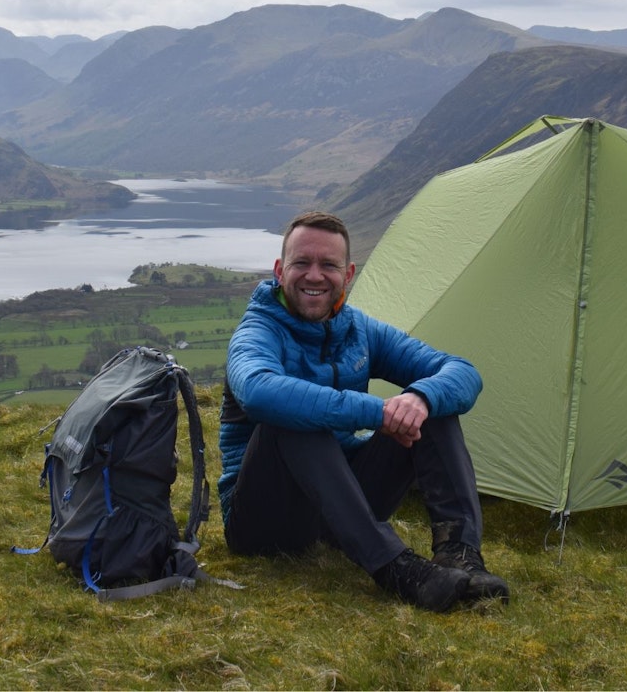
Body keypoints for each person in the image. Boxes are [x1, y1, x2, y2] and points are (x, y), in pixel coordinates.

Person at [217, 210, 508, 611]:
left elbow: (462, 372)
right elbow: (259, 392)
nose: (315, 276)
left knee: (430, 402)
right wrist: (377, 412)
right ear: (280, 270)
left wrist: (418, 400)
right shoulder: (257, 331)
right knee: (292, 415)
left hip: (341, 506)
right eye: (302, 263)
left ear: (348, 273)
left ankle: (460, 553)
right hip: (265, 520)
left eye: (329, 265)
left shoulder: (360, 331)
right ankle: (396, 568)